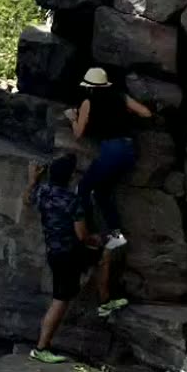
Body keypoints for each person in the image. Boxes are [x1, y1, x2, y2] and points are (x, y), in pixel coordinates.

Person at [24, 154, 121, 365]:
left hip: (55, 253)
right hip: (70, 254)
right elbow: (82, 236)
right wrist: (96, 238)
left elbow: (27, 200)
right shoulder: (71, 200)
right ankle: (41, 348)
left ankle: (105, 301)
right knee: (60, 301)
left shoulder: (43, 193)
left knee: (102, 256)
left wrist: (32, 180)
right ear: (69, 178)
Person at [70, 67, 153, 251]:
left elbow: (78, 133)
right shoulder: (120, 96)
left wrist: (72, 118)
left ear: (89, 86)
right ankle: (117, 237)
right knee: (101, 191)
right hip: (129, 150)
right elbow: (146, 113)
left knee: (82, 188)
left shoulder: (88, 102)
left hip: (111, 151)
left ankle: (86, 235)